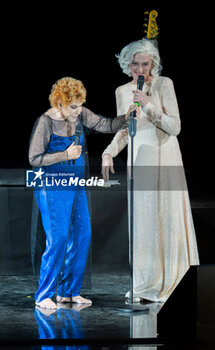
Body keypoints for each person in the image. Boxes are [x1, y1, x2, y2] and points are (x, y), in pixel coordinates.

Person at [102, 38, 200, 303]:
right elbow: (125, 130)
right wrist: (109, 151)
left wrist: (148, 104)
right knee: (143, 220)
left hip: (165, 155)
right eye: (135, 64)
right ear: (128, 64)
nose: (140, 69)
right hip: (139, 158)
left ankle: (172, 280)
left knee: (166, 216)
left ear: (153, 64)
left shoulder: (164, 84)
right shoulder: (122, 91)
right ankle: (145, 282)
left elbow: (175, 127)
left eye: (145, 64)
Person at [29, 77, 139, 309]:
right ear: (59, 103)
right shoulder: (45, 122)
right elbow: (34, 159)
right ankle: (43, 295)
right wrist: (64, 156)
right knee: (58, 239)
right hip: (53, 187)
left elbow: (104, 124)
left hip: (76, 185)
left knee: (82, 235)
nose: (78, 111)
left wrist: (126, 119)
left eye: (80, 105)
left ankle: (69, 292)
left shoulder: (79, 113)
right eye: (73, 106)